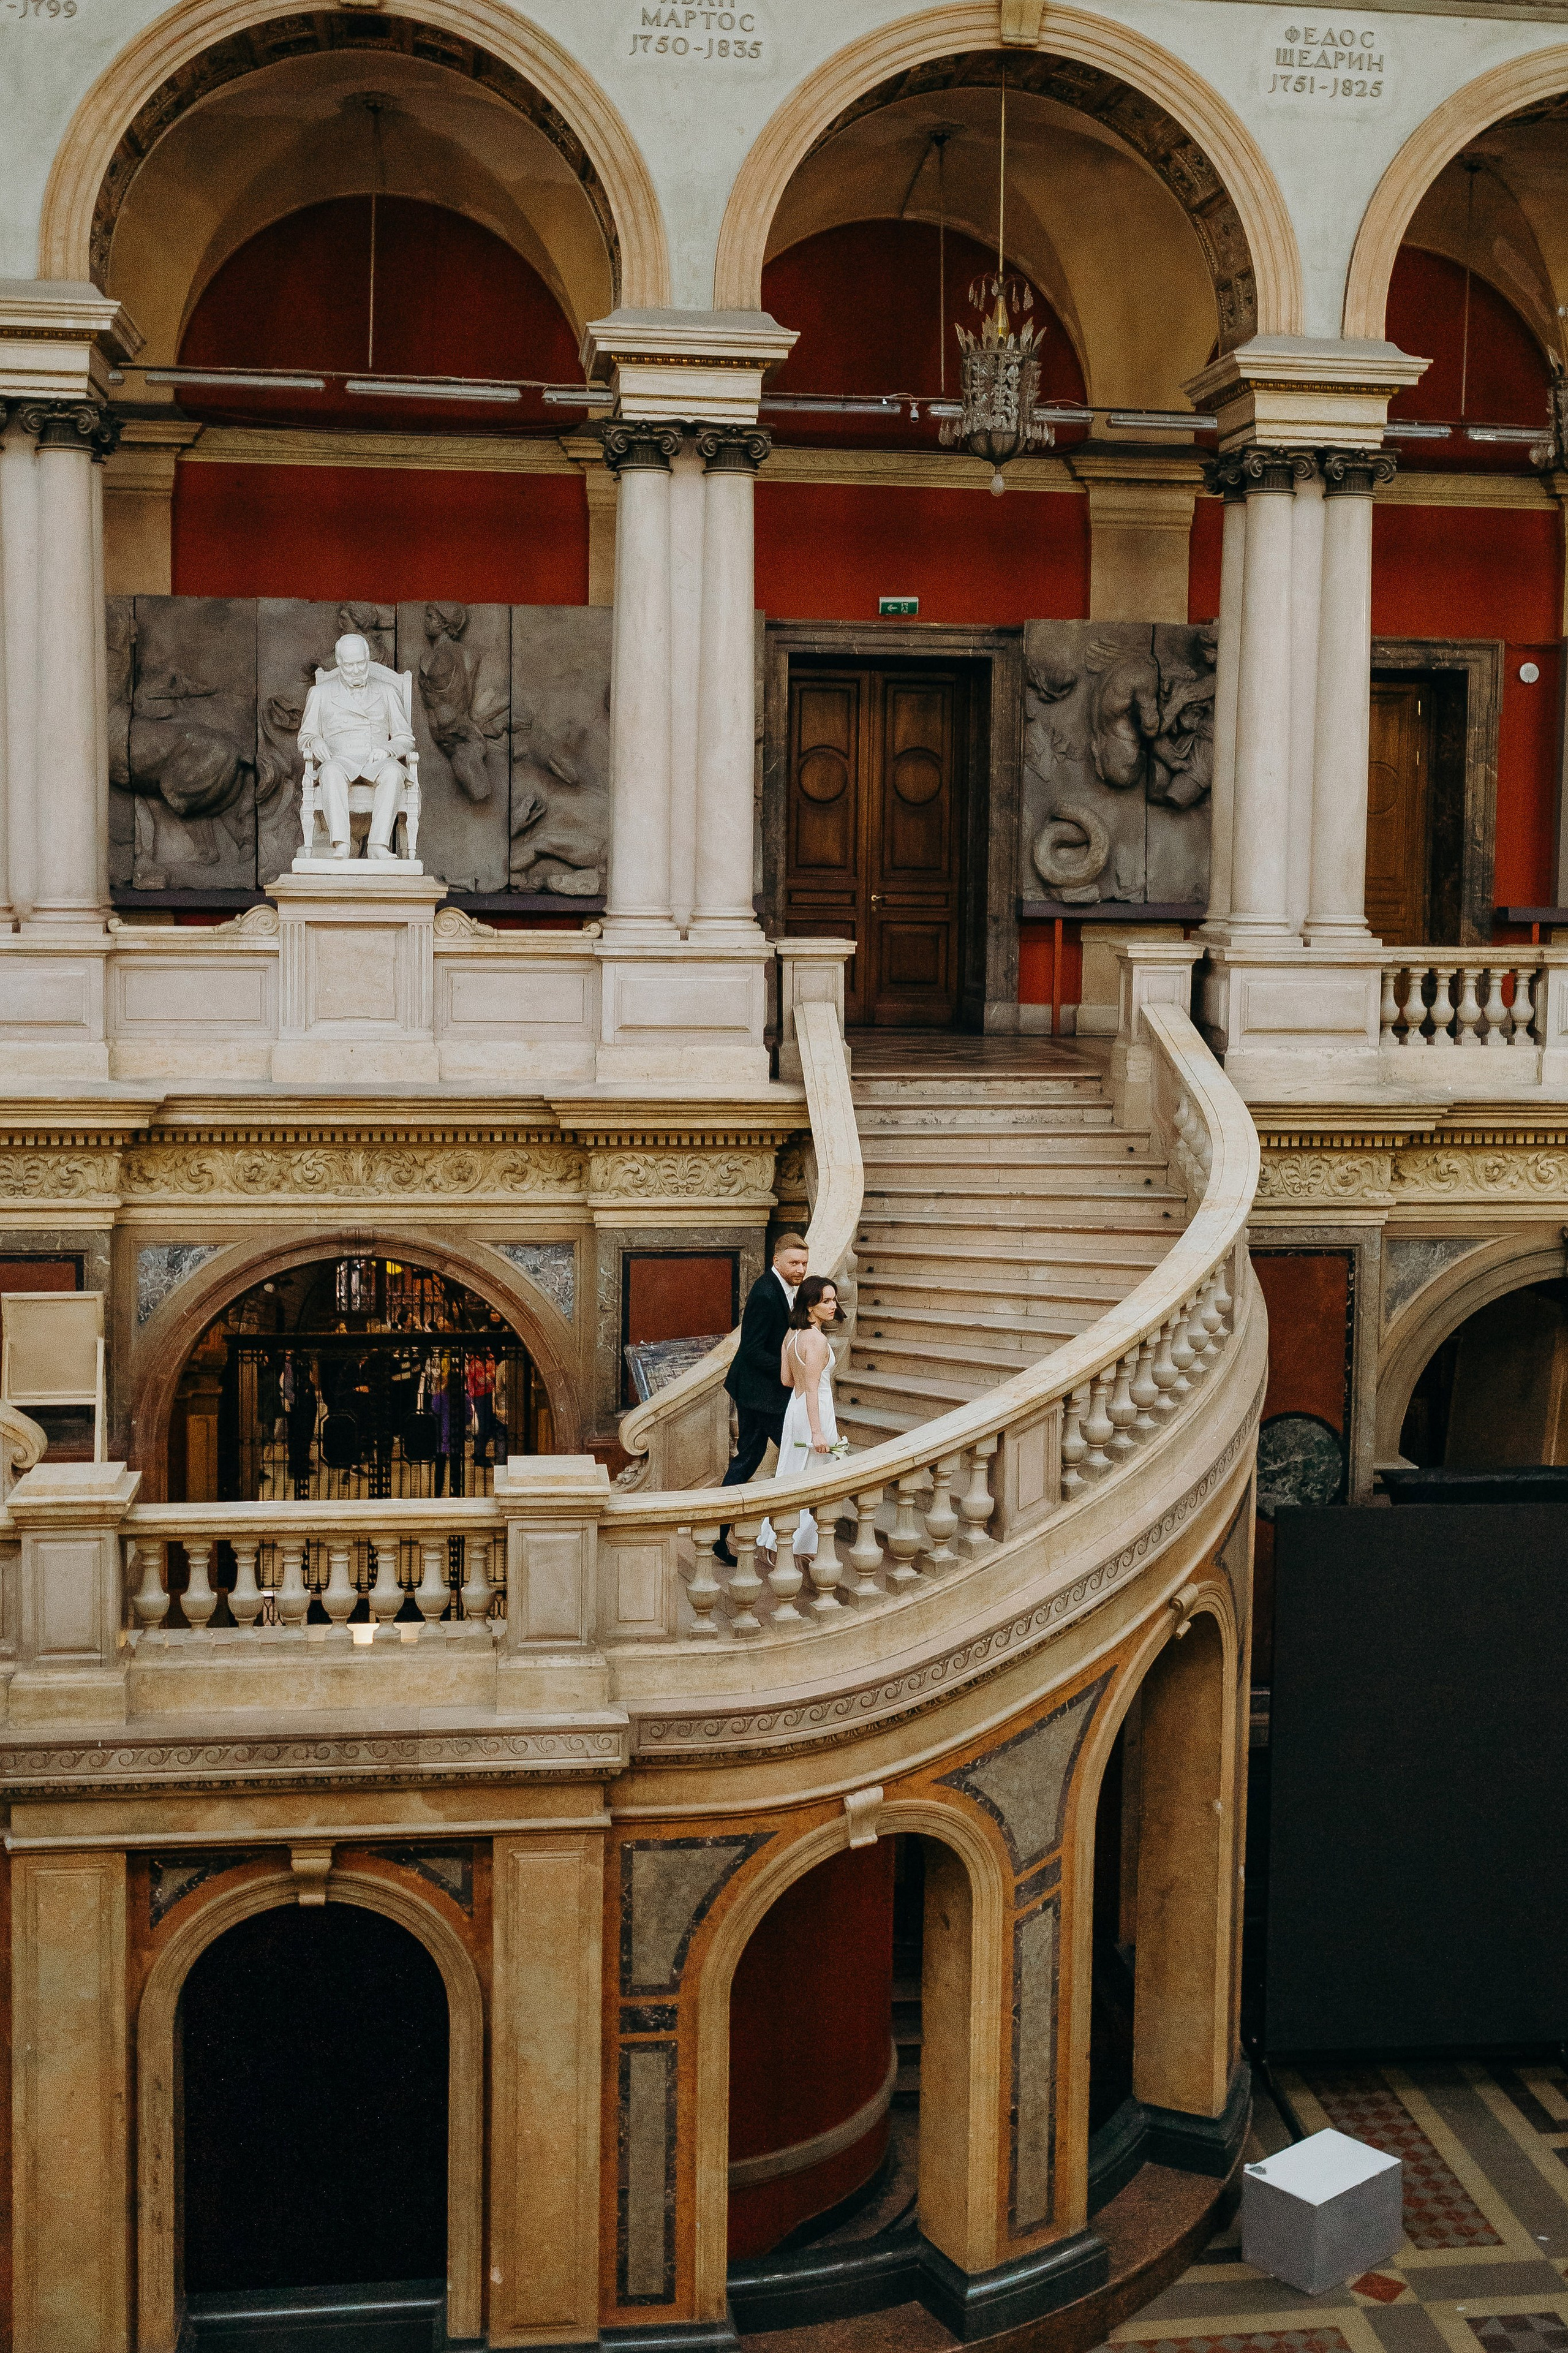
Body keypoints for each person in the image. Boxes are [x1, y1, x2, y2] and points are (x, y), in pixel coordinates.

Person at [714, 1232, 809, 1566]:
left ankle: (720, 1536)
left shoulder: (786, 1289)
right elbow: (753, 1351)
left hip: (760, 1391)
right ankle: (789, 1539)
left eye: (804, 1263)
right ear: (776, 1261)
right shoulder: (767, 1293)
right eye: (794, 1263)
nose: (800, 1269)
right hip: (761, 1393)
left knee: (748, 1459)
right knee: (801, 1453)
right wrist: (794, 1370)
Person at [298, 633, 415, 860]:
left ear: (368, 659)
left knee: (393, 772)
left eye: (361, 664)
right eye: (349, 665)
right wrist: (315, 740)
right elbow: (305, 735)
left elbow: (406, 738)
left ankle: (378, 846)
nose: (356, 671)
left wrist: (389, 750)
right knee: (330, 771)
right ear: (339, 663)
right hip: (340, 760)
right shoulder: (320, 693)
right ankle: (341, 844)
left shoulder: (387, 691)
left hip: (377, 761)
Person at [758, 1277, 845, 1565]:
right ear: (810, 1305)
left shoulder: (792, 1334)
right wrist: (818, 1433)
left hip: (795, 1410)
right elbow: (810, 1388)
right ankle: (802, 1547)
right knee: (814, 1478)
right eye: (826, 1301)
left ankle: (776, 1543)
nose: (833, 1306)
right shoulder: (817, 1340)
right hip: (814, 1409)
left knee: (791, 1473)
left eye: (834, 1300)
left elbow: (786, 1379)